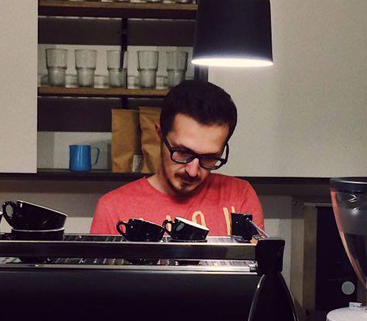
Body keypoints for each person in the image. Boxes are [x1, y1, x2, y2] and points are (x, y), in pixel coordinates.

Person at [90, 80, 263, 236]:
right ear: (160, 134)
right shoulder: (113, 208)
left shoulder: (240, 196)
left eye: (209, 158)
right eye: (183, 152)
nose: (193, 171)